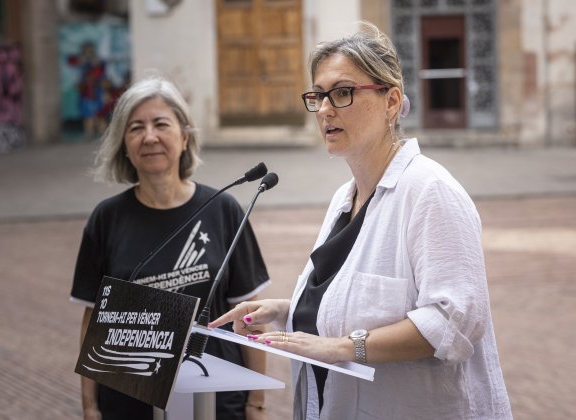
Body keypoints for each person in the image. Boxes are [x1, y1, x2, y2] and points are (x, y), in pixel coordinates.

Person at [209, 22, 512, 420]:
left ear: (391, 102)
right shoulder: (344, 197)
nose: (326, 109)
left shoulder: (431, 191)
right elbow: (356, 301)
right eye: (318, 96)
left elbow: (453, 322)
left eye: (343, 92)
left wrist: (340, 347)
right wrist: (287, 309)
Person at [70, 76, 270, 420]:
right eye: (136, 128)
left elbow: (249, 316)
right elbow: (93, 322)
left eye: (161, 124)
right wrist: (90, 406)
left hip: (215, 399)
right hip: (129, 402)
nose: (149, 137)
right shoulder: (106, 219)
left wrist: (256, 403)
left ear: (184, 136)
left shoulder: (224, 209)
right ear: (124, 144)